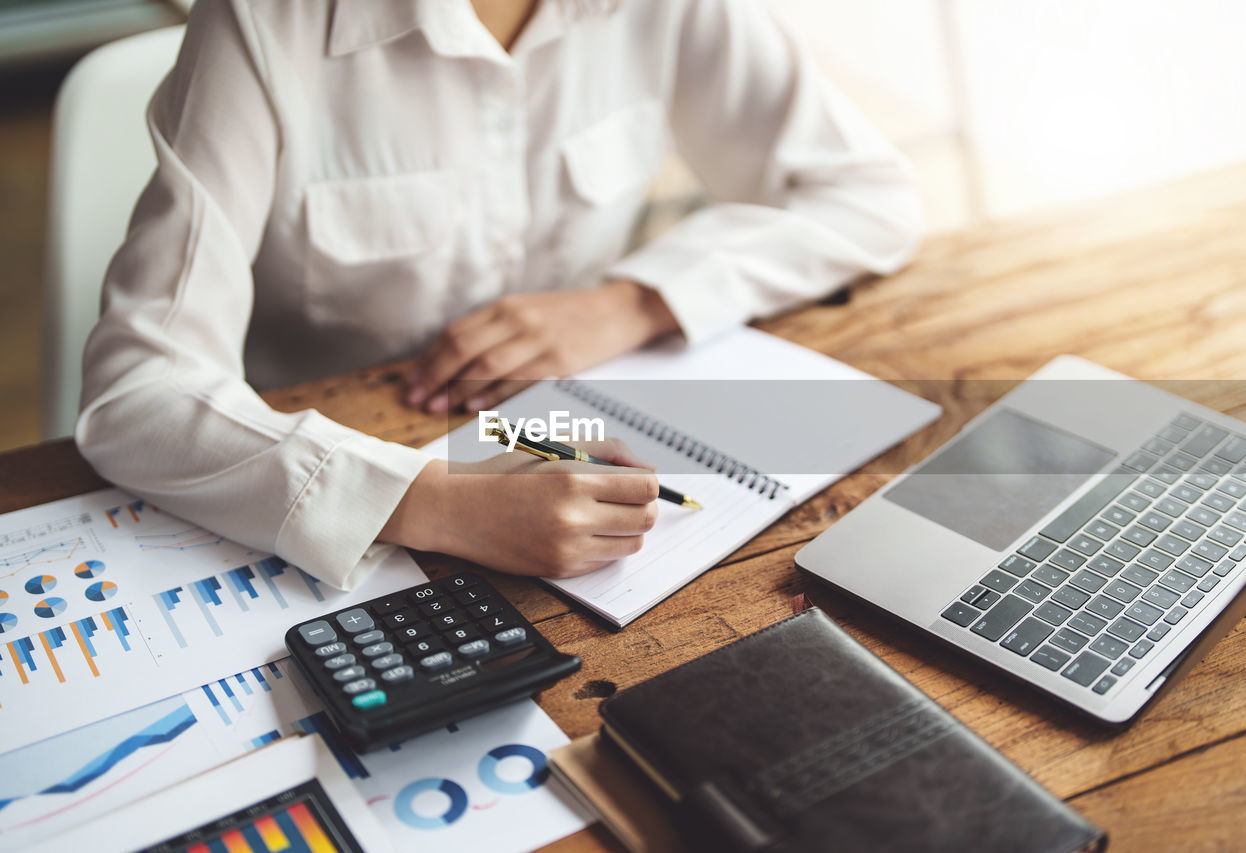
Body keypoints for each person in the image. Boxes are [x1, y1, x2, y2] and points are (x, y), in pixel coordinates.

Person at [76, 0, 922, 591]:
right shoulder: (265, 19)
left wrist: (636, 301)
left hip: (578, 425)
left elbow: (869, 197)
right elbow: (136, 393)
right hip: (333, 460)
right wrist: (434, 502)